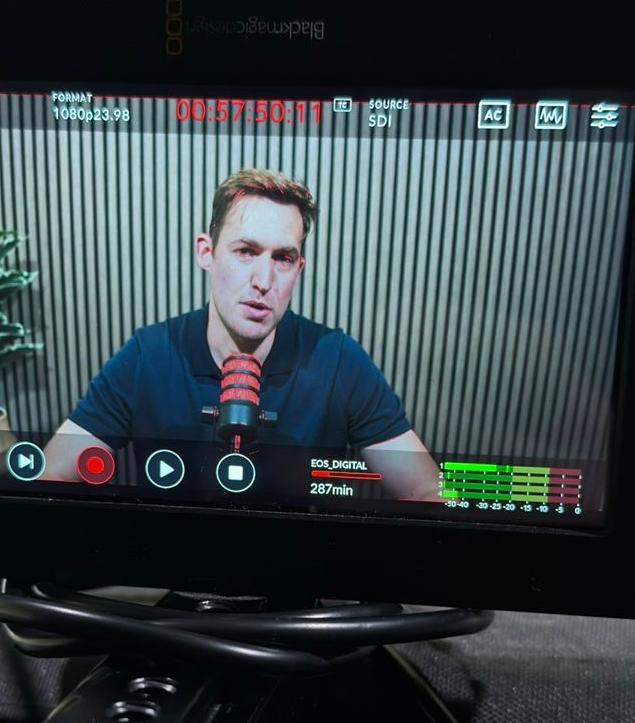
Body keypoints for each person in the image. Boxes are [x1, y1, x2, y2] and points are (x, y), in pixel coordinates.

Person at [43, 169, 440, 502]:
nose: (263, 281)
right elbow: (51, 475)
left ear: (299, 268)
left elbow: (428, 488)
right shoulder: (148, 354)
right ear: (207, 252)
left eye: (282, 258)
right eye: (246, 251)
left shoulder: (338, 360)